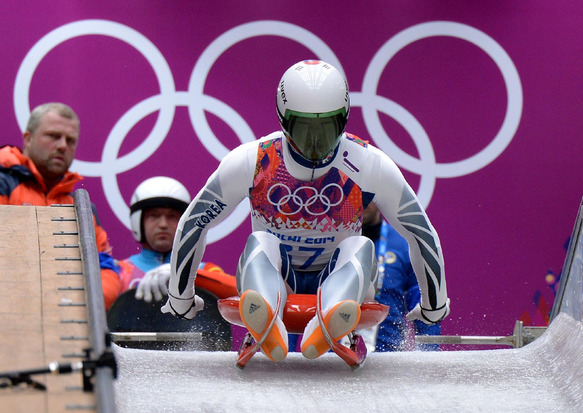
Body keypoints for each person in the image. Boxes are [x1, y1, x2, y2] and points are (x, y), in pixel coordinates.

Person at [161, 60, 450, 363]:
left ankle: (298, 318)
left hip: (338, 275)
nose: (315, 144)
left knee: (361, 246)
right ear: (284, 120)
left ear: (344, 119)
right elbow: (421, 232)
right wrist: (435, 304)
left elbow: (193, 223)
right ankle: (303, 318)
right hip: (278, 275)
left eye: (326, 128)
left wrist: (181, 296)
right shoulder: (253, 161)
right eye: (304, 128)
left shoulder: (367, 164)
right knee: (260, 244)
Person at [0, 102, 120, 308]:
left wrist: (77, 302)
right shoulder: (3, 183)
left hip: (66, 317)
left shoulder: (82, 207)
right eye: (53, 136)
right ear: (28, 139)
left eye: (70, 140)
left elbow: (106, 269)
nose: (63, 145)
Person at [110, 176, 236, 350]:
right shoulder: (118, 271)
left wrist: (184, 273)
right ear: (138, 221)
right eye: (154, 216)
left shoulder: (205, 270)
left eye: (172, 217)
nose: (163, 224)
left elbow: (239, 291)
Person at [362, 202, 441, 351]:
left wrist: (428, 356)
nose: (361, 202)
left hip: (388, 359)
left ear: (379, 197)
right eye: (354, 196)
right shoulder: (330, 244)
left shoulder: (403, 244)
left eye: (366, 196)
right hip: (335, 360)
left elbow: (422, 301)